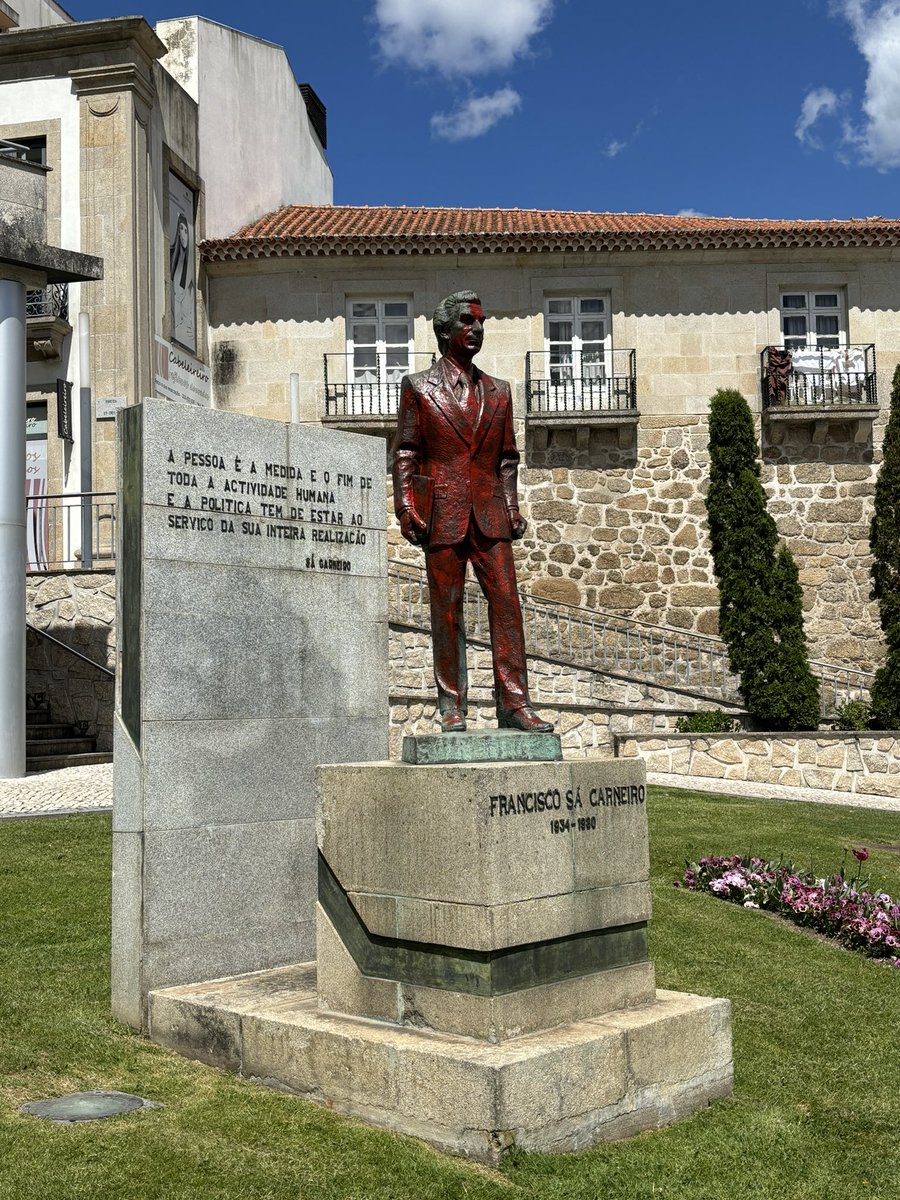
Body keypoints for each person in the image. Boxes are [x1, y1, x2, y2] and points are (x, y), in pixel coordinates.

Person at [391, 290, 553, 734]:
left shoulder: (499, 392)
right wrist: (406, 506)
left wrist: (513, 506)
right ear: (444, 331)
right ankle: (451, 705)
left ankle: (515, 704)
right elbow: (406, 451)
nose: (476, 329)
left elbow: (507, 459)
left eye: (480, 321)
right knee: (446, 610)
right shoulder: (419, 388)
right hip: (441, 513)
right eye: (467, 321)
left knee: (507, 606)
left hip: (489, 514)